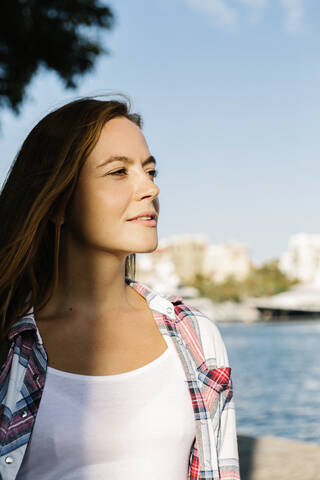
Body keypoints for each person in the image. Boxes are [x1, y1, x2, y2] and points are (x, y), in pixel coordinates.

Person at [0, 96, 240, 480]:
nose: (150, 189)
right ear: (58, 201)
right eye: (118, 172)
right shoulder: (10, 343)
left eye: (150, 171)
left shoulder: (194, 337)